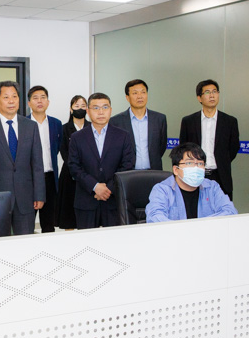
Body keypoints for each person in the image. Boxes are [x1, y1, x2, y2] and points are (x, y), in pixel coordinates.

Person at [0, 81, 45, 235]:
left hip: (25, 197)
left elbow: (37, 164)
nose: (11, 101)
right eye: (6, 97)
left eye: (14, 96)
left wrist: (39, 194)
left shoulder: (30, 126)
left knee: (25, 241)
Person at [68, 92, 134, 229]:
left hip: (113, 201)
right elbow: (74, 166)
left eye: (105, 107)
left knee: (114, 240)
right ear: (88, 111)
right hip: (86, 200)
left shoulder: (123, 136)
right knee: (86, 240)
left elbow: (127, 165)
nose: (101, 112)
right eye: (96, 108)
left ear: (110, 110)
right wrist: (95, 186)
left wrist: (108, 188)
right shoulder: (77, 137)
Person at [146, 142, 237, 222]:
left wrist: (200, 225)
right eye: (189, 163)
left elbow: (230, 211)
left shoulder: (212, 187)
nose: (196, 167)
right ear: (176, 170)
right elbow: (154, 217)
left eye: (200, 163)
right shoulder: (162, 190)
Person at [179, 79, 239, 199]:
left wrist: (221, 161)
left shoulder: (230, 121)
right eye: (207, 92)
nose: (212, 95)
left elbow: (233, 148)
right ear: (199, 98)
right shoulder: (188, 121)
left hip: (220, 175)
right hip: (195, 174)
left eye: (215, 91)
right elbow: (183, 148)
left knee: (222, 208)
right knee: (195, 207)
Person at [26, 86, 62, 233]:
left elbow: (56, 148)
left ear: (48, 102)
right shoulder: (23, 123)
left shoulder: (56, 124)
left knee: (48, 224)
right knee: (27, 222)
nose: (39, 101)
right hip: (29, 179)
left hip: (50, 178)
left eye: (43, 97)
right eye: (35, 98)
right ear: (29, 103)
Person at [110, 79, 167, 170]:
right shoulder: (116, 121)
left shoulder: (159, 119)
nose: (140, 96)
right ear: (127, 97)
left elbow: (161, 146)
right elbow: (115, 150)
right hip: (127, 174)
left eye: (143, 92)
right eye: (135, 93)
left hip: (154, 172)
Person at [55, 95, 89, 230]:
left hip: (89, 175)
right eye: (77, 106)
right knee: (68, 214)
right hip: (69, 175)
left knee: (87, 215)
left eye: (83, 106)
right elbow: (64, 153)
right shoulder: (63, 129)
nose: (80, 109)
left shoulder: (92, 127)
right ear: (71, 109)